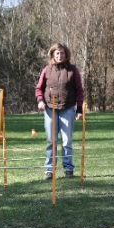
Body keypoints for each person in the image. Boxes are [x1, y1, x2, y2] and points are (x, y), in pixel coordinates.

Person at [35, 42, 84, 179]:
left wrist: (79, 109)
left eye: (62, 53)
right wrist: (40, 101)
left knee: (67, 141)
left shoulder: (72, 70)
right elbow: (39, 88)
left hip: (67, 109)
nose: (60, 55)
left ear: (66, 54)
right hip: (50, 109)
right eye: (57, 53)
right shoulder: (47, 70)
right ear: (52, 55)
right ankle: (49, 170)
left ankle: (68, 168)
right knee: (51, 141)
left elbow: (79, 90)